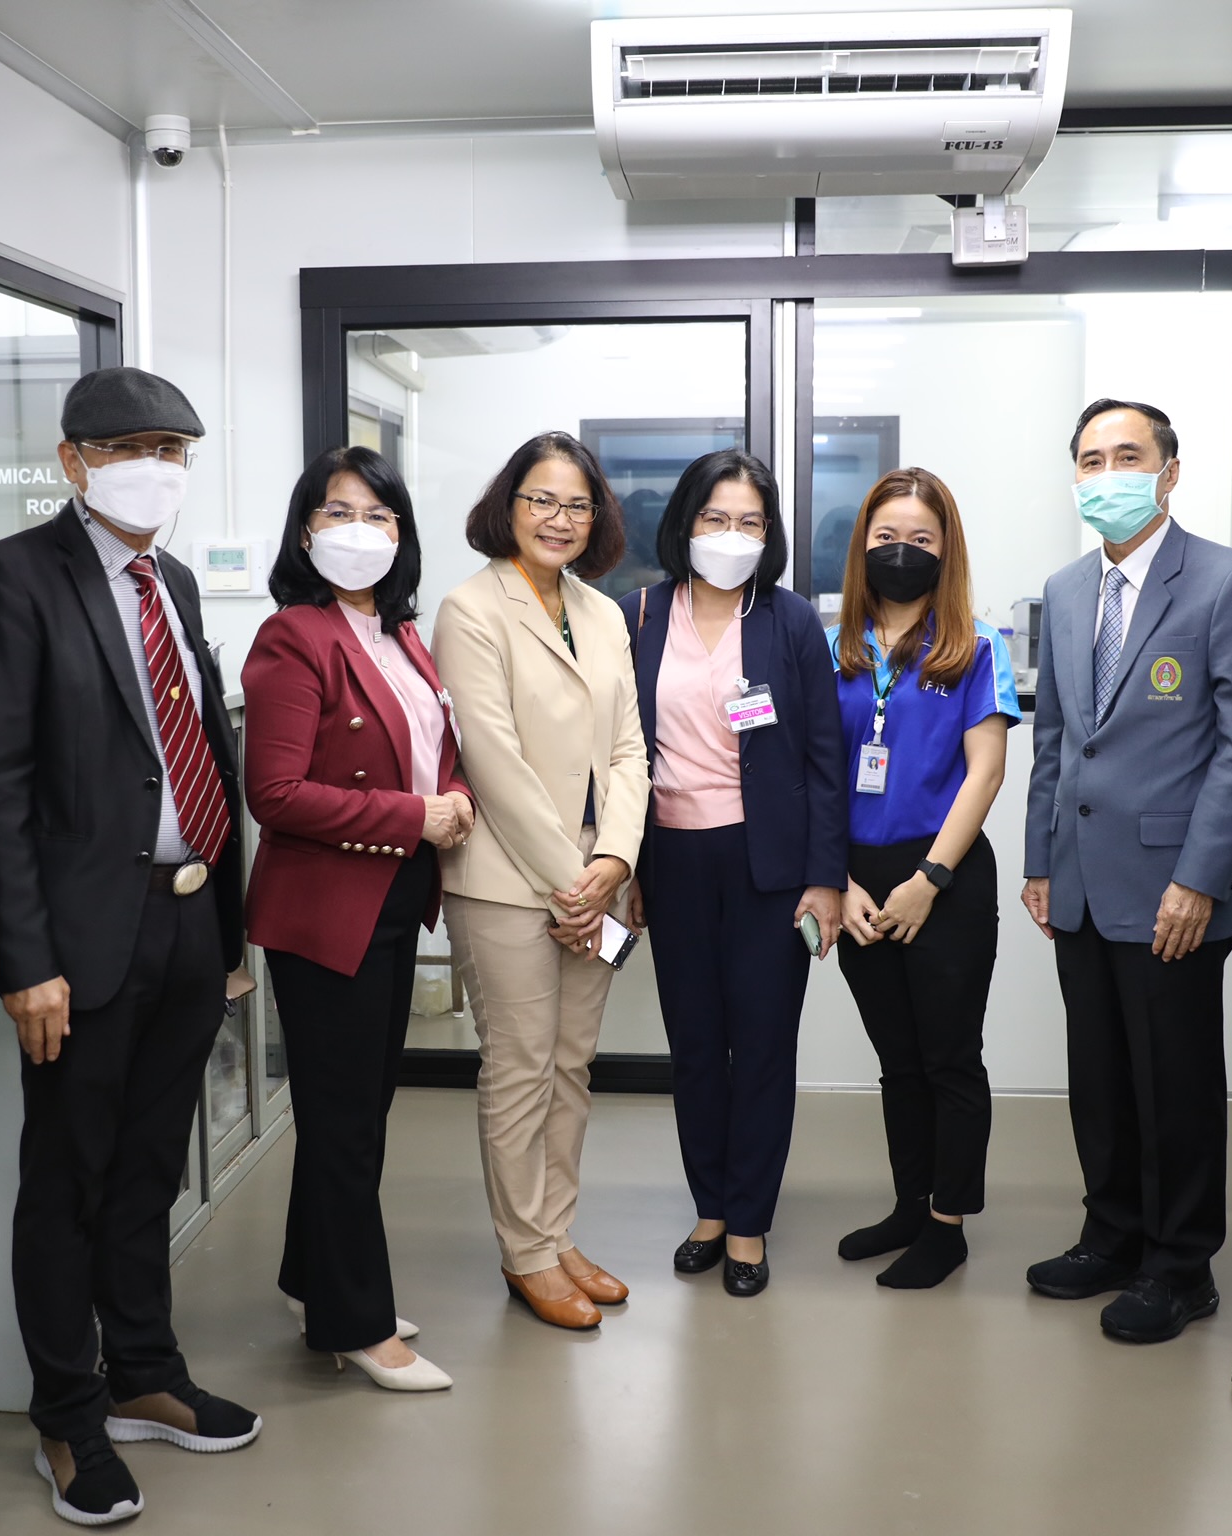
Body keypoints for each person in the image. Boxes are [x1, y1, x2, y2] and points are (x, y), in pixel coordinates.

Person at [0, 368, 260, 1526]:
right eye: (131, 448)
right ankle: (67, 1415)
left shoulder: (170, 579)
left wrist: (225, 932)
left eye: (174, 450)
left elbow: (194, 749)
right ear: (73, 461)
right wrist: (24, 960)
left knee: (148, 1168)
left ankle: (142, 1370)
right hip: (80, 938)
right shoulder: (12, 578)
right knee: (69, 1179)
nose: (156, 469)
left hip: (186, 919)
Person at [1019, 399, 1232, 1344]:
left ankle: (1180, 1266)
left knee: (1175, 1084)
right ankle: (1112, 1234)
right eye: (1091, 460)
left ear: (1170, 471)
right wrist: (1040, 859)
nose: (1108, 475)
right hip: (1080, 882)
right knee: (1098, 1077)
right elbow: (1055, 739)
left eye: (1127, 456)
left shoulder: (1226, 581)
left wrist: (1201, 877)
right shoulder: (1064, 590)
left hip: (1175, 886)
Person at [242, 445, 473, 1391]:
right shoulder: (293, 637)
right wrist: (416, 817)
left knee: (359, 1110)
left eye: (379, 515)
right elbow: (275, 793)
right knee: (343, 1124)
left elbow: (434, 751)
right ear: (306, 532)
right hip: (327, 910)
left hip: (393, 899)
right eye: (338, 512)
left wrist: (451, 797)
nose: (360, 530)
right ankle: (358, 1323)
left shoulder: (400, 634)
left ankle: (313, 1280)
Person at [431, 431, 650, 1332]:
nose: (560, 519)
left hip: (596, 876)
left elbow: (630, 749)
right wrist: (574, 885)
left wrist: (616, 862)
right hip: (507, 884)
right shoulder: (469, 609)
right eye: (542, 500)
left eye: (577, 505)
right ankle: (525, 1253)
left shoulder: (603, 613)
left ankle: (557, 1235)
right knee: (520, 1069)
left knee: (570, 1068)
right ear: (508, 506)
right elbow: (494, 762)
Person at [619, 450, 845, 1299]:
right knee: (693, 1047)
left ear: (769, 533)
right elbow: (618, 751)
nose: (731, 534)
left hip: (769, 867)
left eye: (750, 521)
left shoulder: (790, 622)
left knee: (761, 1047)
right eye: (715, 518)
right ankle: (709, 1208)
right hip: (672, 859)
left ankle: (749, 1220)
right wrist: (626, 864)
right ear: (684, 523)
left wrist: (824, 877)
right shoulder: (638, 614)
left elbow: (825, 758)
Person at [828, 468, 1019, 1289]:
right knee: (897, 1060)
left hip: (944, 874)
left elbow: (985, 772)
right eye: (886, 537)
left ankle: (948, 1225)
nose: (900, 551)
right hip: (857, 881)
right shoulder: (832, 648)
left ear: (946, 551)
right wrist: (838, 879)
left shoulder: (976, 646)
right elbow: (816, 774)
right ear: (862, 545)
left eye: (920, 539)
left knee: (949, 1058)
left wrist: (929, 878)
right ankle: (910, 1204)